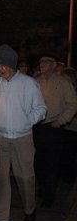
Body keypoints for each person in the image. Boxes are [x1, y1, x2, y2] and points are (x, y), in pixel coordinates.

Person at [0, 44, 46, 221]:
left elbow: (41, 109)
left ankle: (30, 210)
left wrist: (27, 121)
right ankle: (1, 218)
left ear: (12, 64)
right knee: (1, 178)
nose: (1, 69)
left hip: (22, 138)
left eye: (4, 65)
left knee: (25, 177)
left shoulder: (29, 84)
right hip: (0, 137)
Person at [34, 56, 77, 208]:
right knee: (38, 163)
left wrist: (61, 120)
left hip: (54, 127)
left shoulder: (63, 83)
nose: (42, 65)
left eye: (45, 62)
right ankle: (43, 188)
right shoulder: (36, 82)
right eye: (40, 62)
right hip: (38, 127)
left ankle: (49, 196)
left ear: (53, 65)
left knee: (51, 163)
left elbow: (72, 104)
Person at [61, 67, 77, 183]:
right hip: (63, 128)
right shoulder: (62, 91)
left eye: (65, 79)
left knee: (71, 154)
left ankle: (69, 178)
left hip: (73, 129)